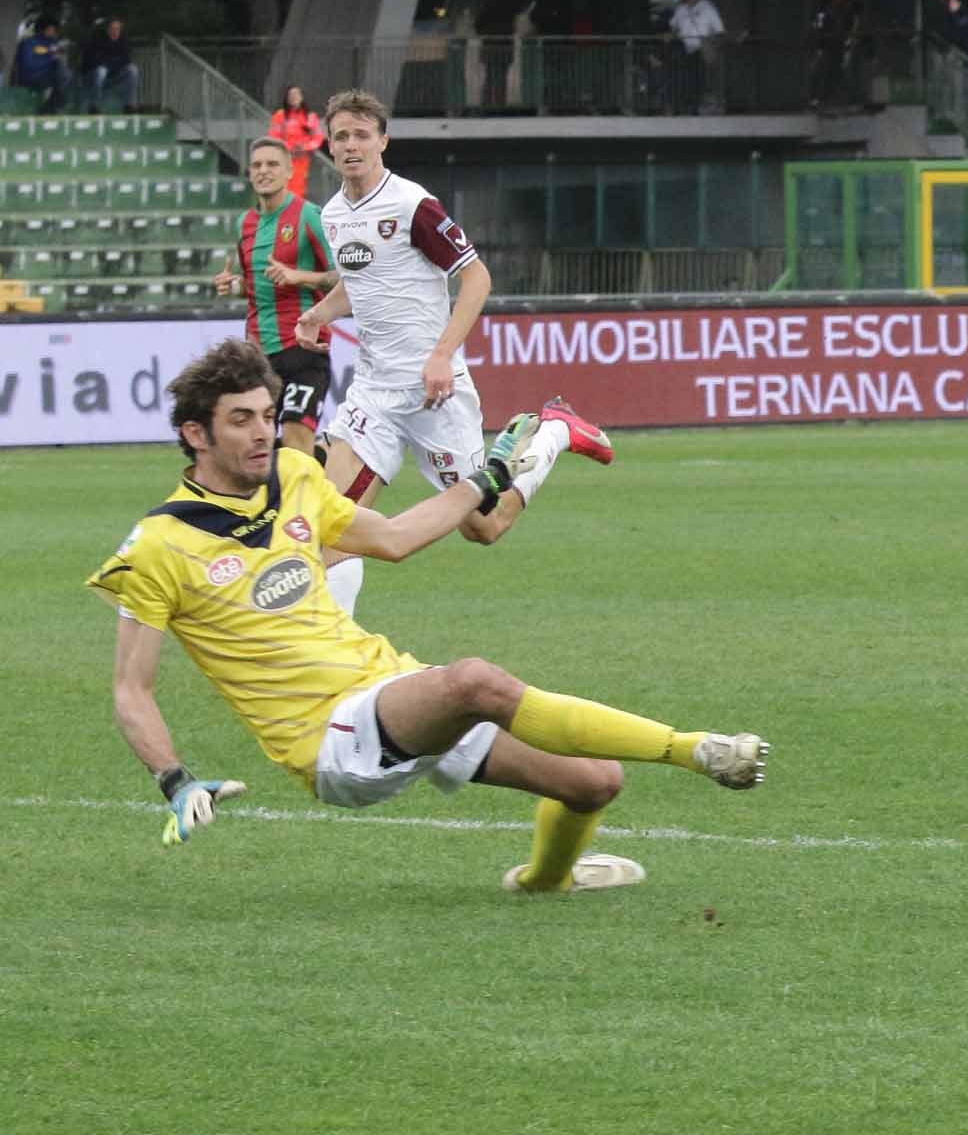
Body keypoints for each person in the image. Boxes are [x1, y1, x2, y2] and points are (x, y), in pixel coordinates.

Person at [88, 340, 768, 891]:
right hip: (332, 742)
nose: (264, 432)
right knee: (475, 682)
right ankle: (699, 750)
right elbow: (131, 688)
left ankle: (543, 882)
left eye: (267, 415)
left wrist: (484, 483)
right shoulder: (158, 545)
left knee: (594, 781)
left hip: (389, 690)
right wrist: (173, 780)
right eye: (242, 420)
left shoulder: (295, 476)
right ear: (193, 433)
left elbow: (394, 539)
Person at [295, 89, 611, 620]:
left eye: (362, 136)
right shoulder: (332, 213)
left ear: (383, 142)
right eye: (341, 136)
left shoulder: (411, 205)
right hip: (373, 393)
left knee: (483, 526)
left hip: (434, 395)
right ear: (329, 142)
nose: (351, 146)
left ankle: (555, 431)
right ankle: (335, 663)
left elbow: (476, 277)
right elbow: (363, 281)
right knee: (330, 522)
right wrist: (320, 313)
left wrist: (442, 355)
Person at [211, 137, 339, 459]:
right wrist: (235, 286)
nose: (263, 171)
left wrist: (301, 277)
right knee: (252, 447)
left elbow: (345, 279)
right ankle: (321, 457)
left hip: (304, 350)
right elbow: (256, 286)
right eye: (257, 165)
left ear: (288, 172)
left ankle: (312, 470)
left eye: (272, 165)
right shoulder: (245, 223)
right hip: (258, 357)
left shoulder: (310, 216)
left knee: (295, 440)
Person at [268, 86, 326, 200]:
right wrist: (288, 148)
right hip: (284, 158)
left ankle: (296, 212)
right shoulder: (280, 116)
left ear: (302, 97)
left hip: (302, 158)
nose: (294, 97)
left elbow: (319, 137)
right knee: (282, 186)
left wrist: (305, 147)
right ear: (287, 98)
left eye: (297, 94)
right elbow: (273, 136)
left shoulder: (310, 117)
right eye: (291, 95)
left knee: (299, 187)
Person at [10, 17, 71, 112]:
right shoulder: (29, 43)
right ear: (44, 29)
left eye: (55, 30)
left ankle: (51, 105)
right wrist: (51, 58)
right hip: (32, 76)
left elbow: (59, 62)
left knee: (63, 72)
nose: (54, 33)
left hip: (52, 77)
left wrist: (61, 58)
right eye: (52, 30)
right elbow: (28, 65)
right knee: (57, 79)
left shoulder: (53, 43)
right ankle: (50, 106)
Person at [80, 18, 139, 113]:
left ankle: (129, 105)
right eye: (113, 29)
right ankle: (94, 105)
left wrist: (110, 63)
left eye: (118, 29)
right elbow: (96, 61)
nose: (115, 31)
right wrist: (113, 62)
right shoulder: (98, 40)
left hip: (112, 73)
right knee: (101, 70)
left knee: (133, 69)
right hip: (92, 75)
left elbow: (126, 59)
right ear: (108, 30)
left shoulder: (123, 41)